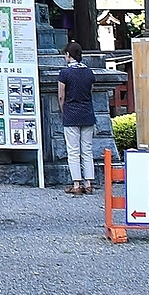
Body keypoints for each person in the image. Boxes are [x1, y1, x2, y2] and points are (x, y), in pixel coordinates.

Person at [57, 41, 97, 194]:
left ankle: (76, 184)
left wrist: (63, 110)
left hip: (71, 113)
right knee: (87, 149)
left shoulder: (65, 73)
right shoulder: (89, 72)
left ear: (68, 55)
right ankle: (88, 183)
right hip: (87, 113)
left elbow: (61, 96)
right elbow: (90, 91)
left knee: (73, 150)